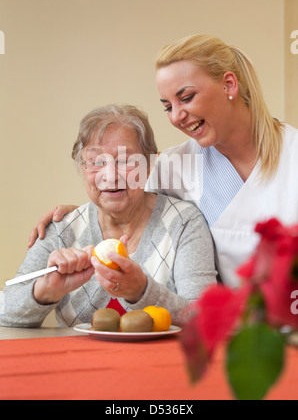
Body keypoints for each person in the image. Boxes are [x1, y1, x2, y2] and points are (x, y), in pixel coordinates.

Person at [28, 35, 298, 288]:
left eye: (187, 97)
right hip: (236, 331)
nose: (177, 116)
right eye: (168, 107)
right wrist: (75, 216)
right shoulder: (173, 166)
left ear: (229, 85)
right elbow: (125, 202)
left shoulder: (292, 153)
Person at [0, 104, 216, 328]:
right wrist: (46, 291)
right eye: (96, 162)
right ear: (82, 168)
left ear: (149, 165)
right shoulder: (62, 229)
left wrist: (141, 291)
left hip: (162, 362)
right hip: (75, 362)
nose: (110, 176)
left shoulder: (183, 222)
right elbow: (3, 310)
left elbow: (206, 319)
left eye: (125, 161)